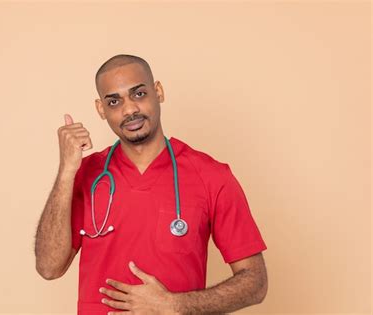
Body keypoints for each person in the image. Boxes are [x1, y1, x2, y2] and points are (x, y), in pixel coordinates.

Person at [34, 54, 268, 314]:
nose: (129, 109)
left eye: (138, 94)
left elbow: (255, 282)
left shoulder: (212, 176)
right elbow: (49, 267)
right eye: (114, 101)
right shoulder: (85, 175)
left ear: (158, 92)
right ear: (102, 109)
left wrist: (176, 305)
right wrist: (67, 171)